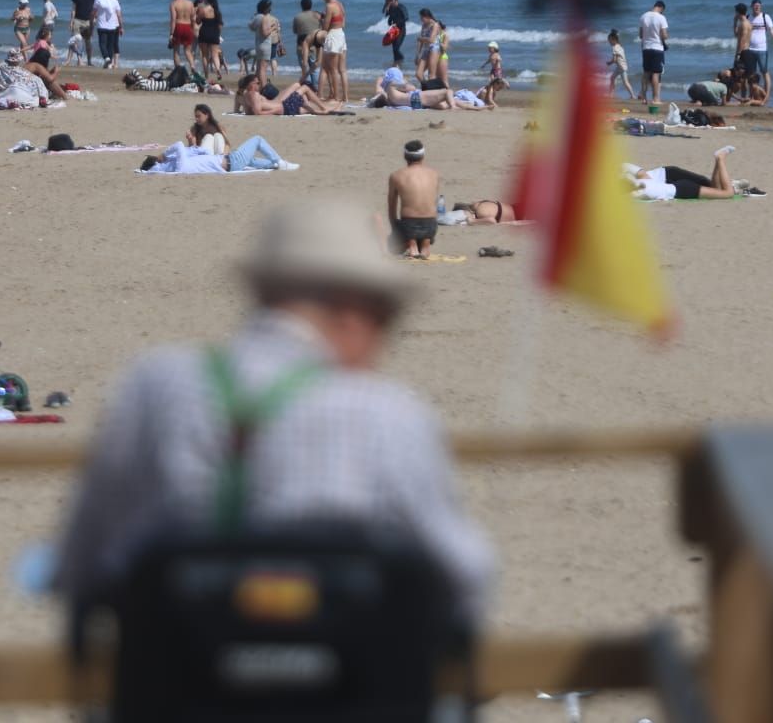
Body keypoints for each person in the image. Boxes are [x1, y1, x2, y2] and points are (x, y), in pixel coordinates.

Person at [52, 200, 494, 616]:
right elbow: (461, 573)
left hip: (174, 679)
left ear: (261, 289)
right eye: (386, 317)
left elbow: (85, 557)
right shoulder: (389, 413)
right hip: (348, 680)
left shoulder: (153, 384)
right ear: (352, 310)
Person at [625, 147, 749, 201]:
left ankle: (720, 159)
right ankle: (721, 162)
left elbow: (643, 180)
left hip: (674, 184)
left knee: (724, 192)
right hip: (676, 187)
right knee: (717, 189)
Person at [387, 140, 440, 258]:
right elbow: (433, 201)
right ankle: (425, 245)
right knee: (426, 226)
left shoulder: (396, 175)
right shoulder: (434, 174)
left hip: (409, 225)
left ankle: (412, 245)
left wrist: (395, 228)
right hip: (431, 225)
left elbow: (392, 205)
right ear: (423, 156)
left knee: (392, 246)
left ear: (405, 156)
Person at [141, 136, 299, 174]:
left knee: (250, 160)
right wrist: (163, 154)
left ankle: (275, 165)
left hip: (231, 161)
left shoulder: (177, 166)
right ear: (157, 164)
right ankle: (280, 161)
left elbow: (203, 152)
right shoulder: (181, 167)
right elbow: (179, 145)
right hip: (232, 161)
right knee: (257, 139)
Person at [237, 74, 341, 116]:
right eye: (257, 83)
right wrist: (274, 111)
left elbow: (245, 110)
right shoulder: (253, 95)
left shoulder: (245, 96)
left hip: (284, 106)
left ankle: (330, 109)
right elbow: (257, 113)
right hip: (283, 106)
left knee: (307, 108)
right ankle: (324, 108)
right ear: (250, 84)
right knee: (305, 88)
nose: (259, 85)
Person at [746, 0, 773, 104]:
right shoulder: (748, 17)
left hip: (762, 49)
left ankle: (766, 96)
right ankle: (752, 96)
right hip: (750, 49)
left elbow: (772, 30)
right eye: (755, 6)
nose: (757, 7)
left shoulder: (765, 17)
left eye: (758, 6)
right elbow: (744, 33)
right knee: (751, 74)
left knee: (764, 72)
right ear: (752, 6)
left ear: (761, 7)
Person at [317, 0, 348, 102]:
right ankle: (344, 96)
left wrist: (321, 19)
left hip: (333, 36)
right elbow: (343, 22)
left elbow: (325, 26)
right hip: (341, 34)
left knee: (332, 69)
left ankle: (336, 97)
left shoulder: (329, 6)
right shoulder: (339, 4)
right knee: (342, 69)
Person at [639, 0, 669, 105]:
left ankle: (643, 97)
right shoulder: (661, 18)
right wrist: (663, 36)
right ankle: (656, 99)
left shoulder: (643, 16)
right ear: (661, 8)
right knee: (656, 74)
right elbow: (664, 35)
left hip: (646, 48)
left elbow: (640, 35)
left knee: (646, 73)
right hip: (657, 48)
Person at [248, 0, 280, 82]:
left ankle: (258, 84)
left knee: (259, 68)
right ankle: (263, 86)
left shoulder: (257, 17)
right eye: (269, 7)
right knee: (263, 69)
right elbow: (265, 33)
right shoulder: (264, 18)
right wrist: (272, 28)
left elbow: (251, 27)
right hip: (265, 45)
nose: (270, 9)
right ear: (265, 8)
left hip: (258, 44)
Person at [195, 0, 225, 80]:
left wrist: (197, 14)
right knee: (215, 55)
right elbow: (220, 26)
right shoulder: (217, 11)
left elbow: (198, 21)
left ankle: (206, 75)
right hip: (214, 33)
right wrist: (218, 35)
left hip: (204, 32)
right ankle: (218, 70)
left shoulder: (203, 9)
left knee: (205, 55)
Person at [93, 0, 123, 70]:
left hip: (102, 26)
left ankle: (107, 59)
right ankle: (109, 63)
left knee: (103, 44)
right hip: (113, 27)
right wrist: (121, 27)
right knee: (110, 45)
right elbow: (119, 16)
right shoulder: (115, 1)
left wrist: (92, 18)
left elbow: (94, 11)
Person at [291, 0, 319, 80]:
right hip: (314, 45)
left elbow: (295, 31)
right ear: (311, 5)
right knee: (314, 69)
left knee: (304, 67)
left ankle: (307, 87)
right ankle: (315, 88)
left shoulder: (297, 17)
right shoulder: (316, 16)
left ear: (301, 5)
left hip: (301, 45)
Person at [69, 0, 97, 65]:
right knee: (77, 41)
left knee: (88, 42)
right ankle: (79, 60)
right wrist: (71, 21)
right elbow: (73, 9)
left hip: (88, 21)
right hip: (77, 20)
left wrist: (95, 18)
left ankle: (89, 61)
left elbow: (95, 8)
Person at [169, 0, 196, 73]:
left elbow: (173, 19)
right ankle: (192, 66)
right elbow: (193, 18)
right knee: (188, 51)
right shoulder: (190, 3)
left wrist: (171, 34)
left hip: (178, 26)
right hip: (188, 26)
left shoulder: (174, 4)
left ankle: (178, 71)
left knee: (176, 50)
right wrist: (193, 29)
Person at [606, 29, 636, 99]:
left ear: (613, 40)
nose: (609, 42)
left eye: (609, 41)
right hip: (620, 67)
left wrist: (609, 63)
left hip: (622, 68)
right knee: (612, 78)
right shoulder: (619, 45)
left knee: (625, 82)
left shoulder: (614, 48)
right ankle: (611, 94)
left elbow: (614, 59)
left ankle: (633, 95)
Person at [384, 0, 408, 67]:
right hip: (394, 31)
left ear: (395, 0)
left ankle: (401, 59)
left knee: (396, 47)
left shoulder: (401, 7)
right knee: (394, 50)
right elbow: (388, 16)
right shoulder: (391, 8)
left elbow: (406, 18)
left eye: (391, 1)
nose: (390, 2)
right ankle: (397, 64)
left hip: (401, 30)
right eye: (389, 1)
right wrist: (387, 9)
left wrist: (396, 23)